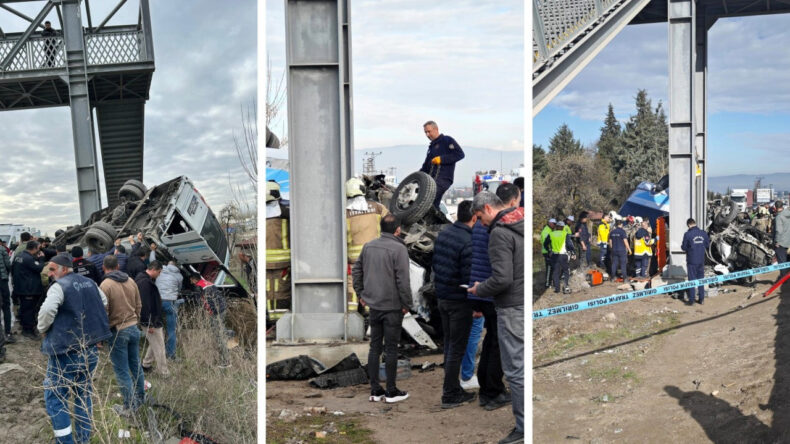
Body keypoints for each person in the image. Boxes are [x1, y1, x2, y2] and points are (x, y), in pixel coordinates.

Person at [468, 191, 524, 444]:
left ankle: (522, 429)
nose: (480, 224)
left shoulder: (500, 233)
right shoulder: (520, 221)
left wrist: (480, 289)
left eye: (480, 217)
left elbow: (502, 278)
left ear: (488, 208)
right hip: (521, 301)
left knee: (514, 370)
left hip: (511, 305)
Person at [38, 254, 111, 444]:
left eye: (53, 269)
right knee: (83, 394)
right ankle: (83, 439)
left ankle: (65, 441)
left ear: (64, 269)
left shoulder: (59, 287)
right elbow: (103, 302)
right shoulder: (90, 283)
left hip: (65, 352)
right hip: (90, 350)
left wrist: (42, 329)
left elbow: (47, 311)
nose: (50, 273)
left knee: (55, 398)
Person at [351, 213, 412, 404]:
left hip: (374, 306)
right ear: (398, 230)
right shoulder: (399, 249)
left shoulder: (369, 246)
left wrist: (361, 293)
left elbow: (356, 270)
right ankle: (391, 391)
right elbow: (403, 280)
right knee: (391, 349)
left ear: (380, 228)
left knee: (374, 347)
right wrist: (407, 304)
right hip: (393, 307)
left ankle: (375, 390)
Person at [433, 200, 476, 409]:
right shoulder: (468, 241)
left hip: (442, 298)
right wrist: (476, 305)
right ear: (474, 217)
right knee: (456, 349)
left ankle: (452, 388)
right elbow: (469, 278)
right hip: (459, 301)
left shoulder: (445, 233)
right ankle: (450, 394)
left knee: (450, 345)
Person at [100, 255, 145, 415]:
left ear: (104, 268)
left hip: (118, 330)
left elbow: (103, 312)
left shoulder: (105, 285)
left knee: (122, 370)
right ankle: (141, 399)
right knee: (136, 365)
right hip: (134, 327)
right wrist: (136, 319)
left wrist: (103, 334)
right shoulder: (131, 281)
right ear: (118, 266)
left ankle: (130, 407)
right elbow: (139, 304)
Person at [345, 177, 388, 314]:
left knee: (351, 286)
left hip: (353, 259)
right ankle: (370, 318)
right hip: (375, 256)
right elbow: (391, 223)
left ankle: (351, 318)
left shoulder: (343, 212)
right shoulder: (377, 207)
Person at [420, 121, 465, 208]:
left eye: (429, 131)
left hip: (443, 179)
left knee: (426, 200)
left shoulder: (447, 140)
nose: (427, 135)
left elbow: (460, 154)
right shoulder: (431, 147)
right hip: (431, 180)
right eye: (425, 132)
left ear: (436, 129)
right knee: (432, 206)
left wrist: (441, 159)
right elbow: (425, 167)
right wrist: (416, 177)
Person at [135, 261, 167, 376]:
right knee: (159, 346)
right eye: (159, 272)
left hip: (152, 319)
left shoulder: (144, 279)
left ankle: (146, 364)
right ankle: (164, 372)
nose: (159, 274)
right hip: (150, 320)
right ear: (153, 269)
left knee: (156, 342)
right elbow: (144, 304)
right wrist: (148, 323)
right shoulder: (145, 283)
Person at [266, 181, 291, 314]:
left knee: (269, 292)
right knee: (281, 291)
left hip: (267, 264)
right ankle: (280, 322)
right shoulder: (285, 212)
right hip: (283, 262)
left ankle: (271, 320)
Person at [13, 241, 45, 338]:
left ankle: (25, 327)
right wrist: (42, 259)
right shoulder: (28, 258)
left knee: (24, 308)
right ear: (34, 248)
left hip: (21, 287)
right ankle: (28, 330)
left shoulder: (19, 256)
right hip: (29, 289)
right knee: (29, 310)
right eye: (38, 248)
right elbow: (38, 268)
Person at [156, 260, 183, 360]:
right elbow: (179, 289)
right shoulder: (179, 276)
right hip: (169, 302)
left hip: (157, 301)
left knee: (155, 327)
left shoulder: (160, 271)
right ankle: (171, 354)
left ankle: (156, 352)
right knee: (171, 329)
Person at [681, 218, 710, 305]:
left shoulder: (687, 234)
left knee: (692, 280)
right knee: (701, 280)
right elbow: (707, 245)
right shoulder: (703, 233)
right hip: (701, 260)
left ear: (689, 225)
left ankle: (692, 300)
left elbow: (684, 247)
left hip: (691, 260)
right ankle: (701, 299)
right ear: (694, 223)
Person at [545, 221, 574, 294]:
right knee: (566, 271)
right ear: (563, 227)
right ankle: (566, 286)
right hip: (563, 255)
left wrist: (549, 251)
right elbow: (570, 245)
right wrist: (572, 252)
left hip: (554, 256)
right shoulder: (565, 234)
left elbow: (545, 244)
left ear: (556, 227)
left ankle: (557, 289)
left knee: (555, 272)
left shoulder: (551, 234)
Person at [0, 237, 13, 343]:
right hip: (2, 281)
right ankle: (7, 333)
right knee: (6, 306)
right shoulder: (2, 249)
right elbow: (8, 265)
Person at [774, 201, 790, 278]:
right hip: (789, 241)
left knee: (782, 262)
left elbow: (779, 231)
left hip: (782, 243)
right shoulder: (788, 213)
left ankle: (784, 278)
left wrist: (777, 242)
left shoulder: (779, 217)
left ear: (775, 207)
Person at [540, 218, 556, 288]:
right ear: (550, 223)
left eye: (555, 224)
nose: (555, 225)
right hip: (547, 252)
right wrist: (549, 251)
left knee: (552, 267)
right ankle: (547, 284)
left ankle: (550, 282)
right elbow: (545, 243)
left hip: (550, 251)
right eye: (554, 224)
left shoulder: (549, 230)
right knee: (549, 267)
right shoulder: (546, 231)